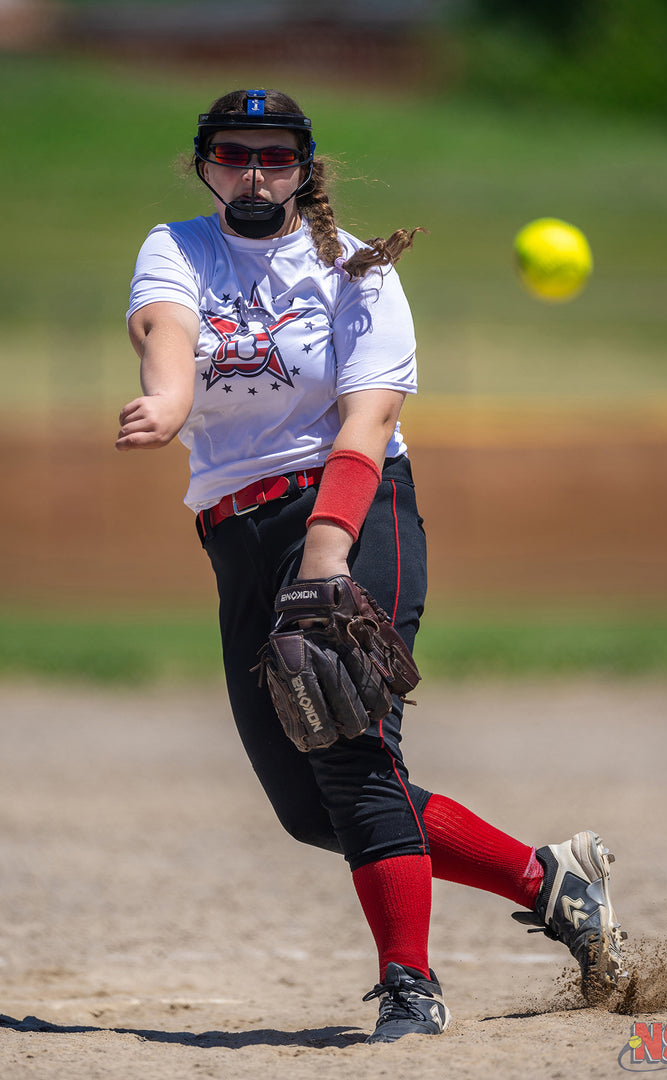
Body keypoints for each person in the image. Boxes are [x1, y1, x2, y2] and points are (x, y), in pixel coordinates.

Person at [116, 87, 626, 1043]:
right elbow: (167, 335)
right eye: (234, 153)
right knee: (312, 809)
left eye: (276, 155)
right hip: (237, 537)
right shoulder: (177, 246)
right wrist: (172, 404)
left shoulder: (355, 269)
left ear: (305, 168)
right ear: (204, 165)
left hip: (353, 513)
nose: (254, 171)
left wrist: (326, 555)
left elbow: (369, 421)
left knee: (350, 747)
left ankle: (409, 987)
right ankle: (545, 879)